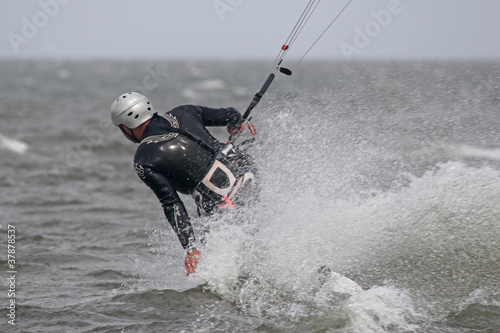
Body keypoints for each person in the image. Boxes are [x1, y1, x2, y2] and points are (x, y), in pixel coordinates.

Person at [110, 92, 257, 275]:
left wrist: (191, 248)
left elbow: (171, 204)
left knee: (213, 264)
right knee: (252, 224)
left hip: (224, 201)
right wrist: (235, 124)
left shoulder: (144, 159)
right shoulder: (184, 112)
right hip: (247, 172)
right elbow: (233, 115)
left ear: (127, 126)